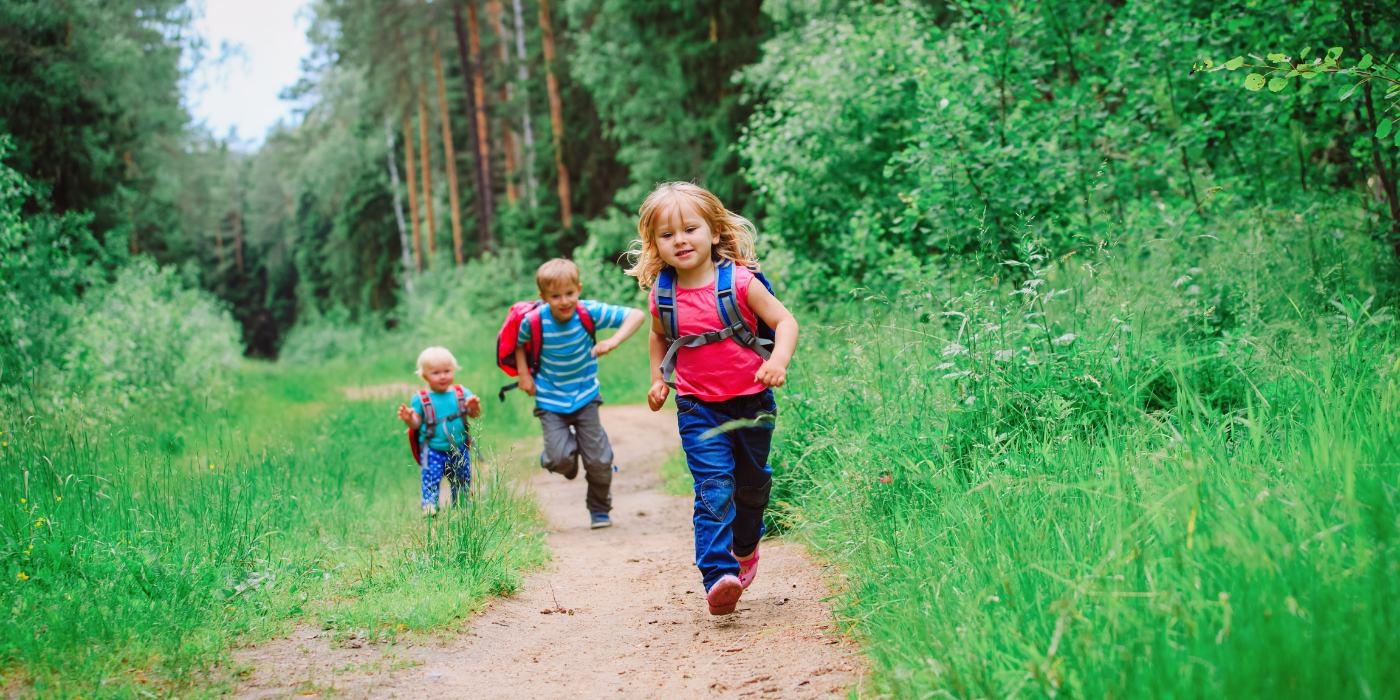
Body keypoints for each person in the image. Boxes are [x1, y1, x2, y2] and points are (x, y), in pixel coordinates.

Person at [627, 182, 799, 615]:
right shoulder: (662, 294)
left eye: (690, 229)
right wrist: (658, 379)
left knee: (752, 486)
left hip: (752, 402)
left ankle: (745, 549)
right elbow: (659, 335)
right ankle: (719, 575)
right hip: (698, 406)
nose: (680, 240)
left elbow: (785, 321)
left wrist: (778, 361)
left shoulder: (740, 281)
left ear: (715, 232)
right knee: (714, 487)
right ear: (655, 244)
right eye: (667, 235)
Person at [516, 258, 647, 529]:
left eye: (570, 293)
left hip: (586, 397)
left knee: (599, 461)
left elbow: (637, 315)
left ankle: (599, 510)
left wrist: (613, 340)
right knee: (559, 459)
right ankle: (562, 456)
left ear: (579, 288)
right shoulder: (534, 321)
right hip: (550, 400)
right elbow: (519, 344)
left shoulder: (588, 312)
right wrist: (524, 374)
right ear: (543, 297)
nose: (564, 301)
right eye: (555, 296)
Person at [397, 347, 482, 515]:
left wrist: (474, 406)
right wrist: (409, 418)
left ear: (453, 370)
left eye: (447, 371)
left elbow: (475, 415)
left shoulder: (462, 393)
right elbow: (416, 424)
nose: (443, 376)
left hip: (459, 448)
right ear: (425, 376)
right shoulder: (421, 398)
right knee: (430, 479)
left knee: (462, 480)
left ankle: (461, 506)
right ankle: (429, 505)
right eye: (436, 373)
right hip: (433, 449)